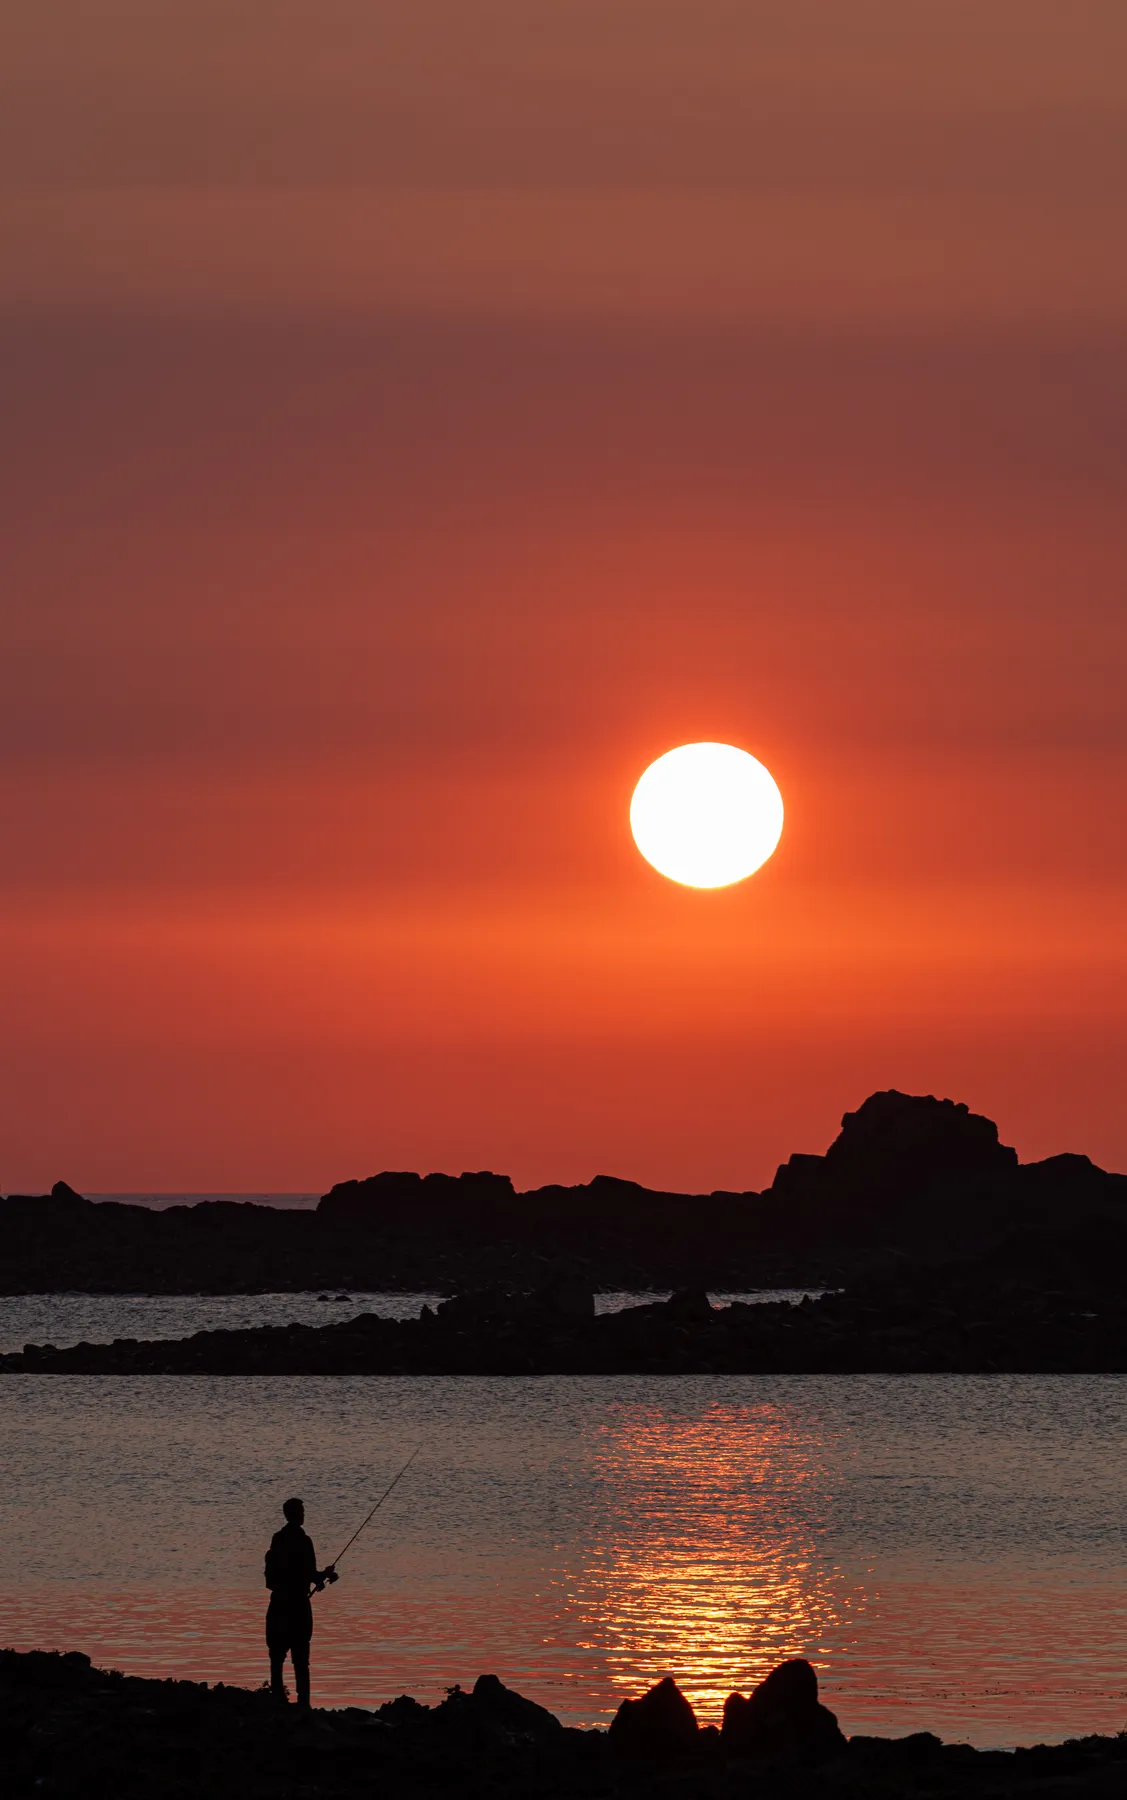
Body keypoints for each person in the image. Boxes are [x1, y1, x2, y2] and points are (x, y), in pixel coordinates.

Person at [264, 1496, 337, 1707]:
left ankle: (277, 1698)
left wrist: (319, 1577)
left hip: (278, 1603)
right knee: (301, 1657)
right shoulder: (304, 1541)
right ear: (296, 1514)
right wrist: (325, 1575)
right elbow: (309, 1574)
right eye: (302, 1512)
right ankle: (303, 1703)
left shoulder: (277, 1540)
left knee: (276, 1655)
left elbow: (273, 1578)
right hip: (298, 1605)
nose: (304, 1515)